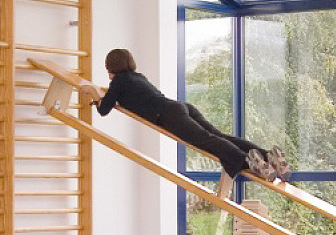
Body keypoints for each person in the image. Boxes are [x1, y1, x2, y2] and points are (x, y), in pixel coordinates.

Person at [82, 48, 291, 197]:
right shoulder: (138, 77)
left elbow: (103, 109)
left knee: (207, 141)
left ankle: (249, 162)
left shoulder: (118, 82)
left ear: (112, 66)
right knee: (219, 136)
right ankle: (266, 155)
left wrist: (92, 92)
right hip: (180, 106)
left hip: (168, 115)